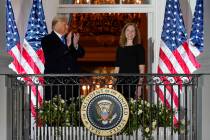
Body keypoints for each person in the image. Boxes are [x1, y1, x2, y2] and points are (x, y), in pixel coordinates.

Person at [41, 15, 85, 100]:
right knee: (58, 110)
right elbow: (53, 56)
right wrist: (67, 45)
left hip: (72, 83)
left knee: (72, 110)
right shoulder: (47, 39)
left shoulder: (69, 38)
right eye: (65, 24)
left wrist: (75, 45)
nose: (67, 27)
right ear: (57, 25)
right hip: (56, 83)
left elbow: (81, 54)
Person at [114, 22, 145, 99]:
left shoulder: (139, 48)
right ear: (124, 32)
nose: (130, 33)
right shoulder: (120, 48)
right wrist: (114, 84)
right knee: (121, 105)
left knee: (132, 107)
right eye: (128, 30)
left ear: (135, 33)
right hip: (120, 82)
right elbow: (117, 68)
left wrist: (139, 86)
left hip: (134, 81)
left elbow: (142, 69)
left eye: (132, 31)